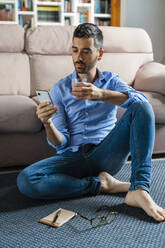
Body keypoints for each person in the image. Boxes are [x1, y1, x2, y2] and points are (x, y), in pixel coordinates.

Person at [17, 23, 165, 222]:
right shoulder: (59, 89)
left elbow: (140, 103)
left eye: (86, 51)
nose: (78, 57)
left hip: (106, 153)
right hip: (73, 157)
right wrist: (48, 123)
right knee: (26, 180)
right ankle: (101, 185)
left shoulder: (111, 80)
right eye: (75, 50)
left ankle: (139, 189)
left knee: (142, 106)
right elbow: (62, 143)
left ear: (100, 54)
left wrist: (102, 94)